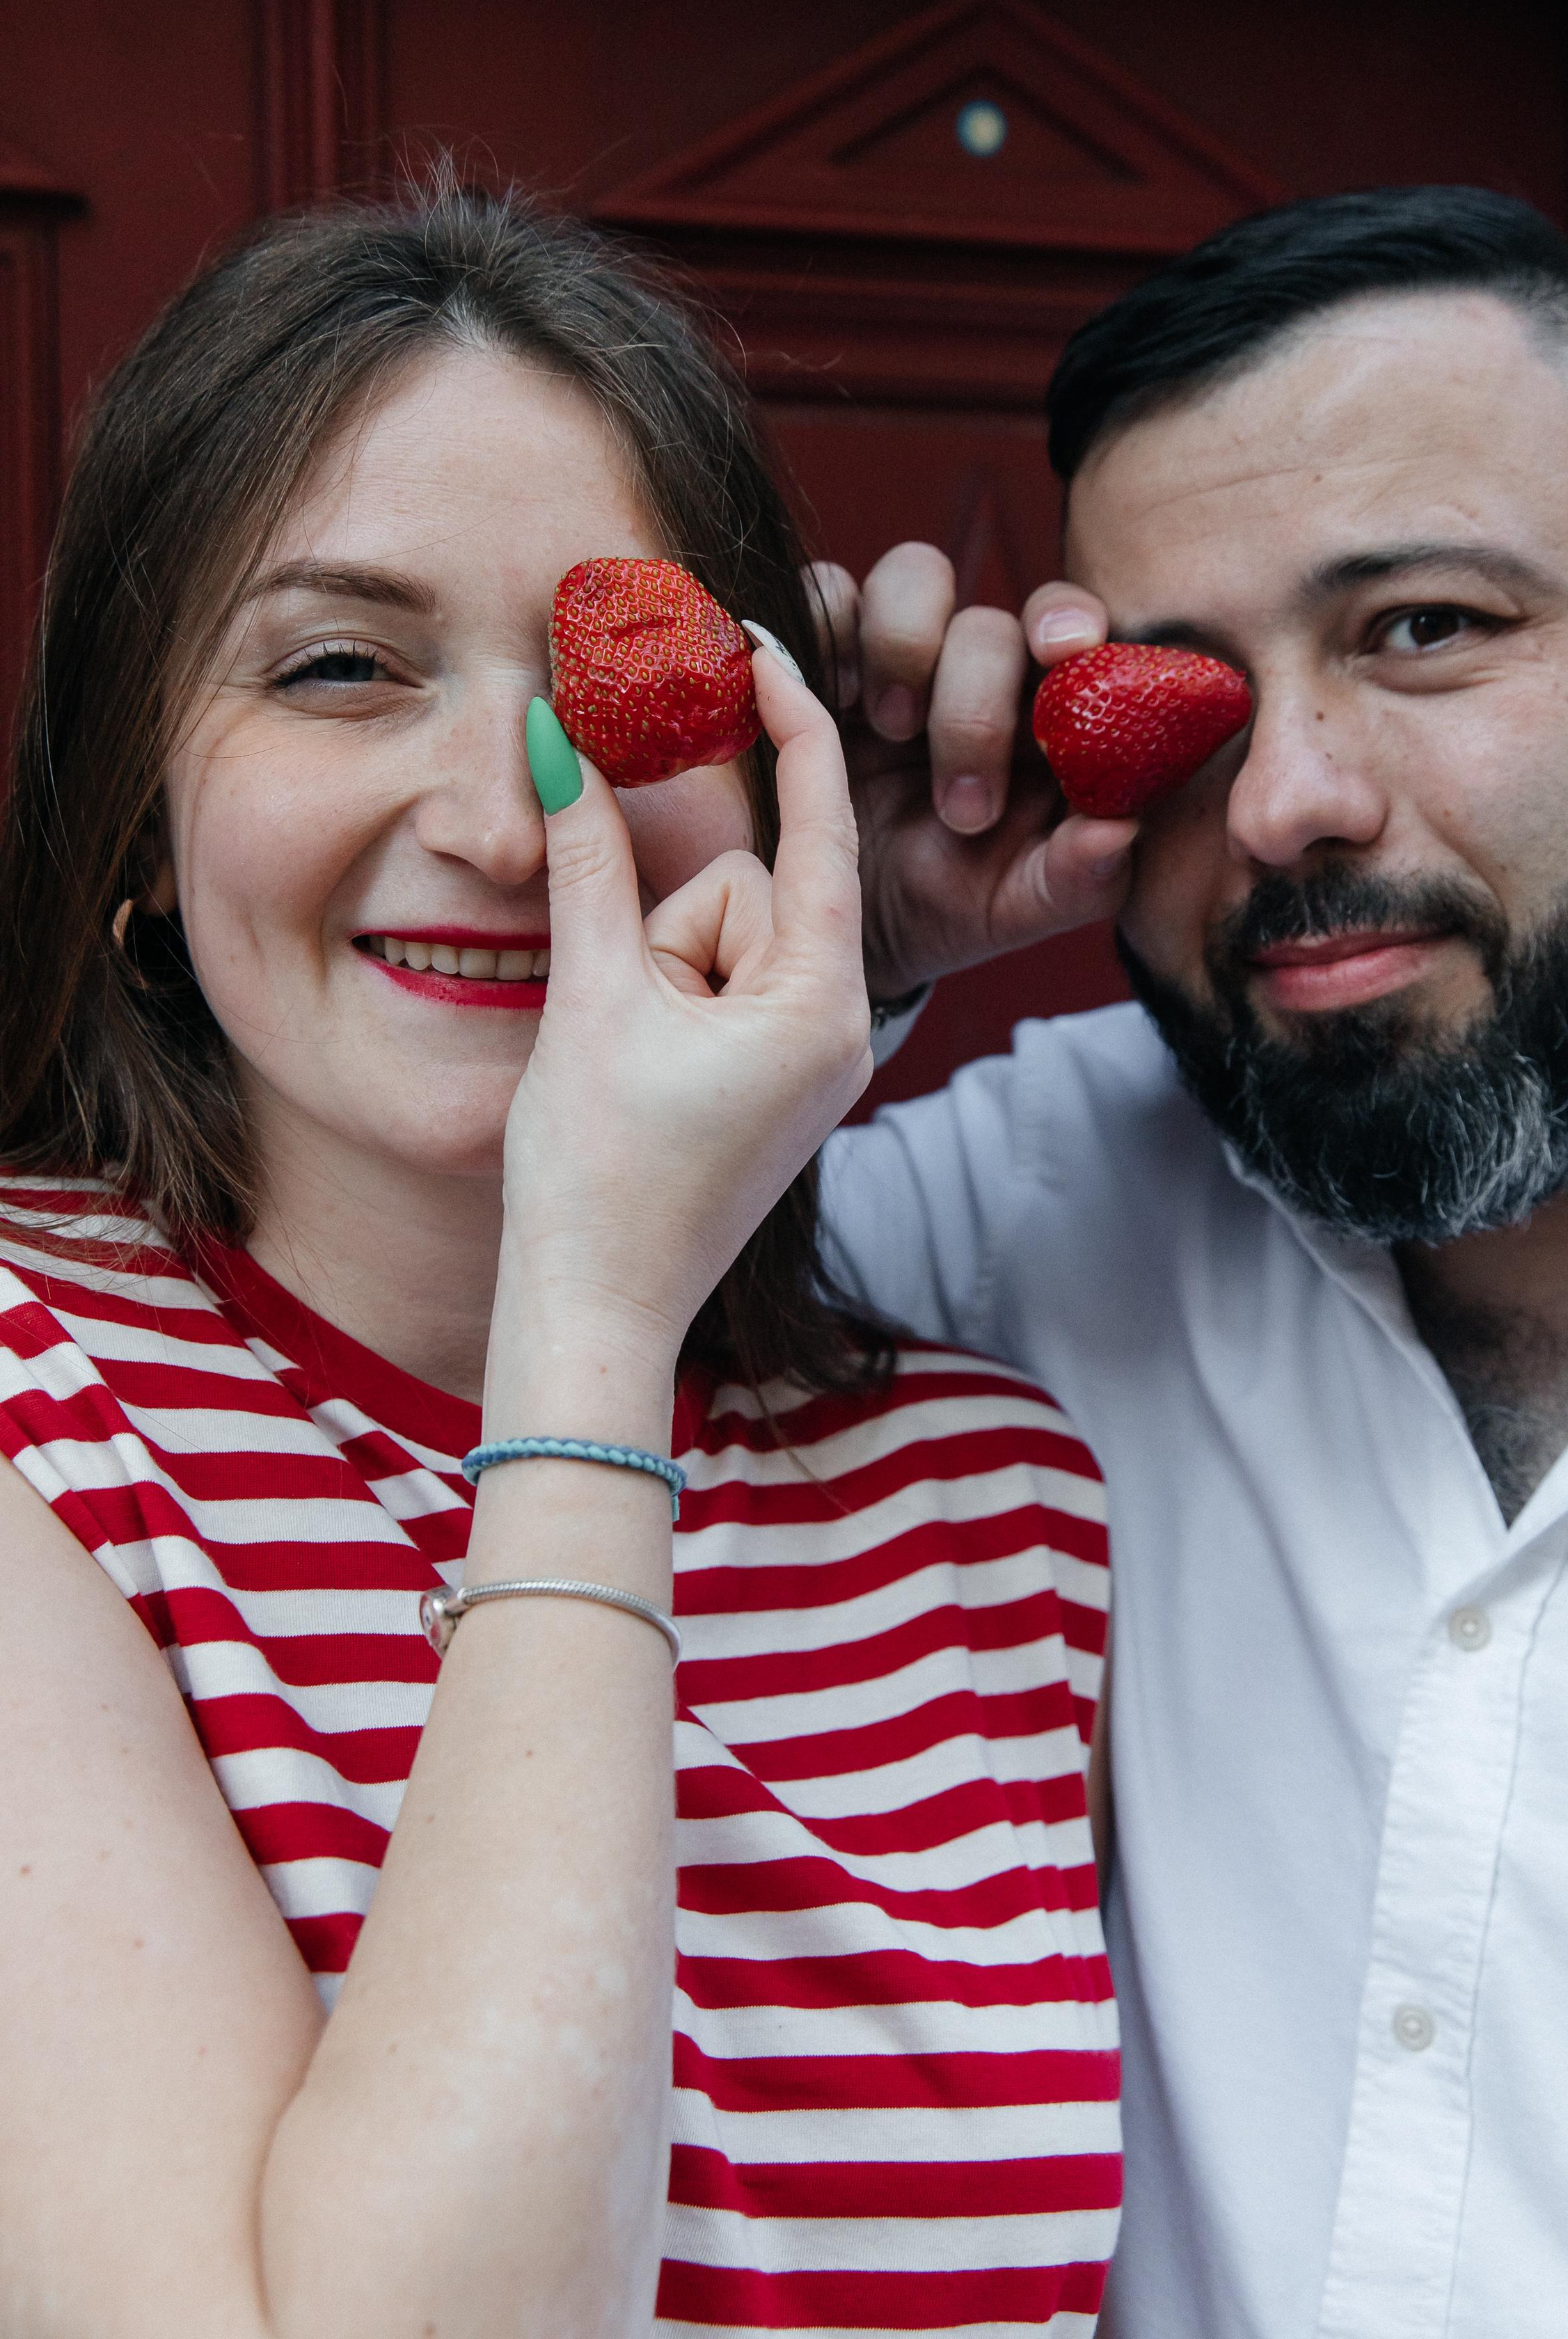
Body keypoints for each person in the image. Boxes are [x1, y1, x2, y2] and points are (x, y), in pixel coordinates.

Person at [0, 184, 1118, 2338]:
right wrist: (592, 1322)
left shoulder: (1000, 1512)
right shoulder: (42, 1420)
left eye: (635, 683)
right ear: (140, 823)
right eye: (340, 668)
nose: (517, 829)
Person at [819, 187, 1568, 2339]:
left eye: (1426, 629)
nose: (1288, 804)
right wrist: (825, 944)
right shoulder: (1010, 1217)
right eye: (1179, 696)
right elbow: (394, 1342)